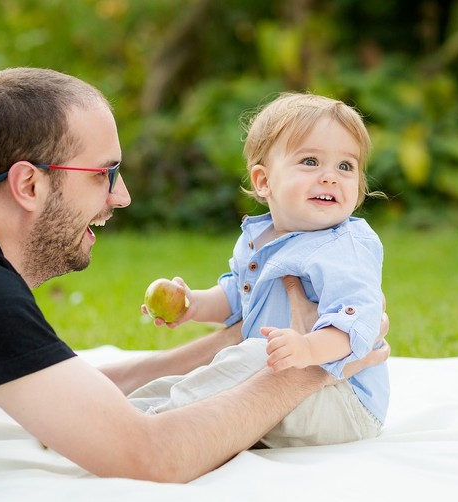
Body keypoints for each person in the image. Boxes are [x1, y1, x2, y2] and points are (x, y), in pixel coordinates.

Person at [0, 69, 389, 487]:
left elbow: (79, 394)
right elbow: (148, 457)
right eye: (105, 173)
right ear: (29, 184)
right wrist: (310, 374)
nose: (121, 197)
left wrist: (230, 341)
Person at [131, 92, 389, 447]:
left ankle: (155, 426)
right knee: (214, 371)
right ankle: (126, 412)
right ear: (264, 181)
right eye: (311, 161)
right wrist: (194, 304)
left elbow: (359, 322)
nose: (331, 177)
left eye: (346, 166)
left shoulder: (344, 247)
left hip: (344, 400)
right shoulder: (260, 237)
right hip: (278, 380)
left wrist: (307, 349)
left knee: (249, 356)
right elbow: (237, 294)